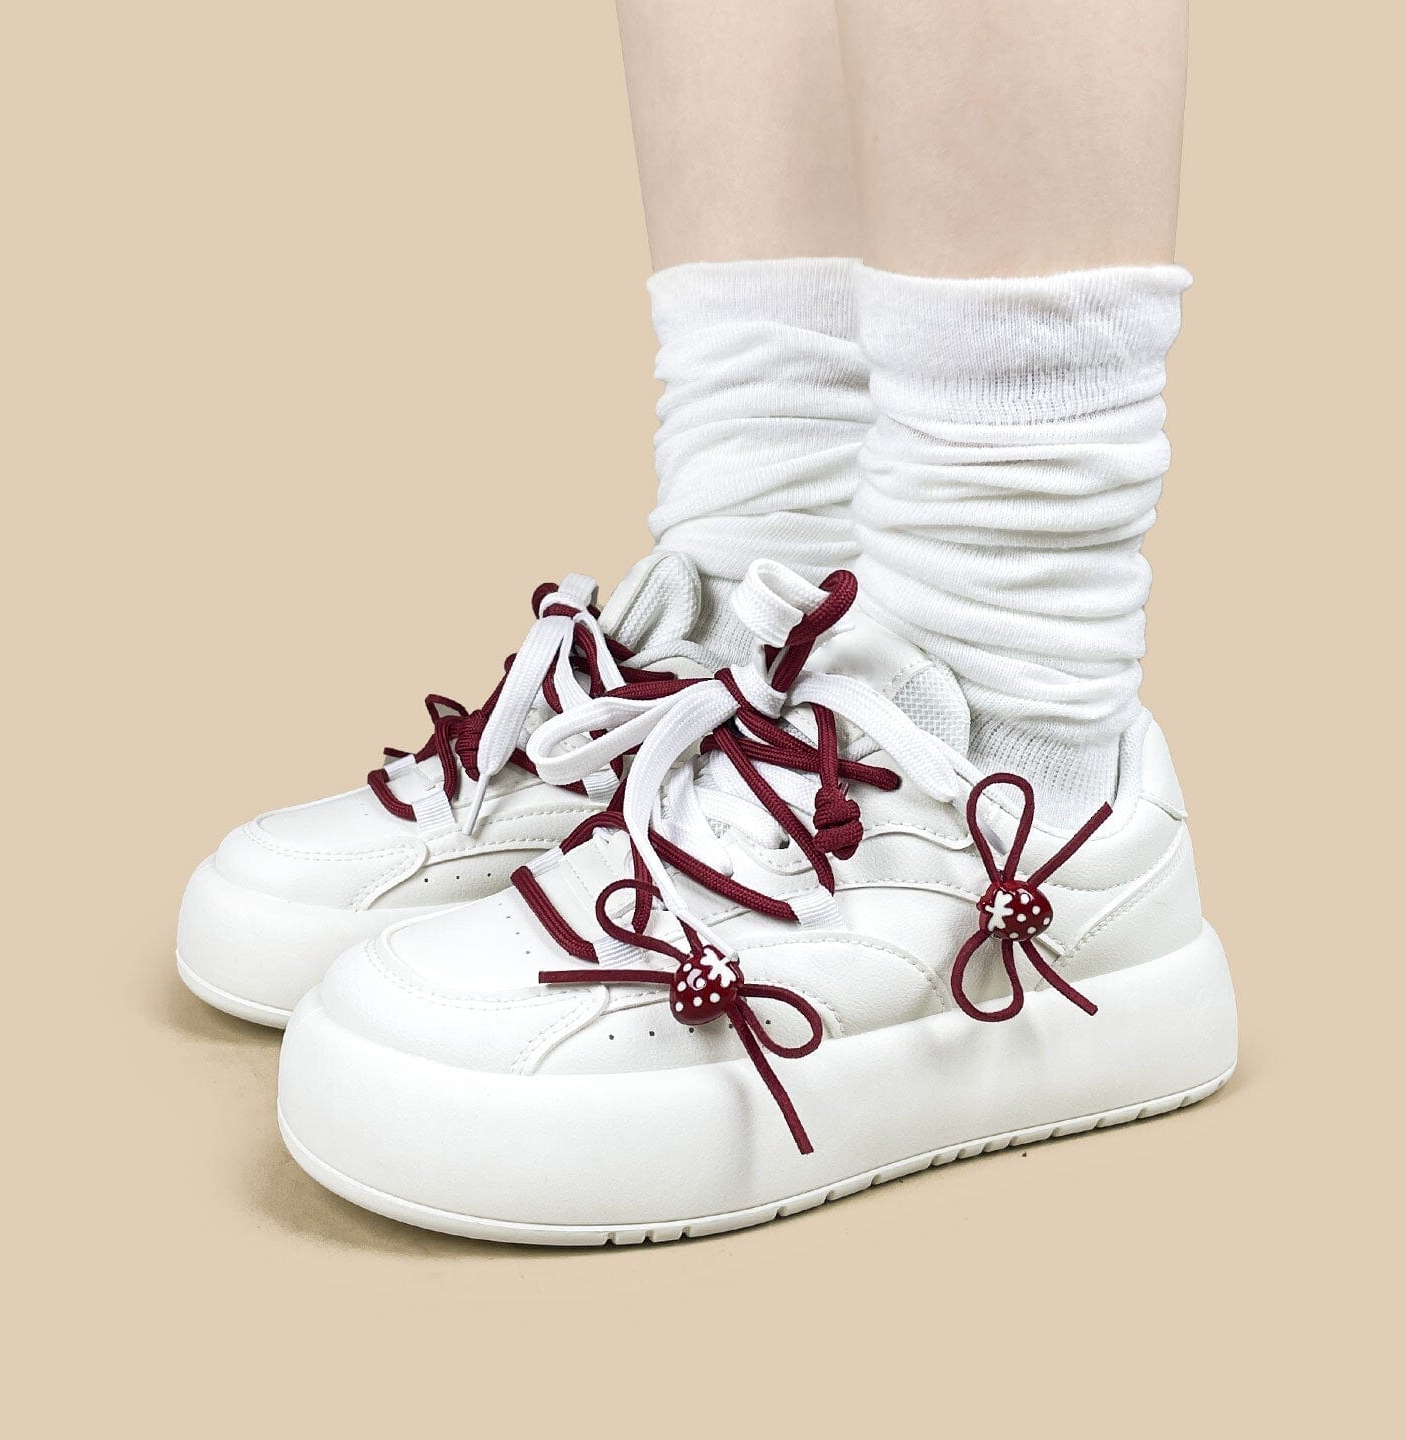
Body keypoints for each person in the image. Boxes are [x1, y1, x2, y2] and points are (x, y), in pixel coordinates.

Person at [189, 2, 1237, 1242]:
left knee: (989, 624)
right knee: (764, 479)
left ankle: (1019, 750)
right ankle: (755, 637)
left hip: (1011, 795)